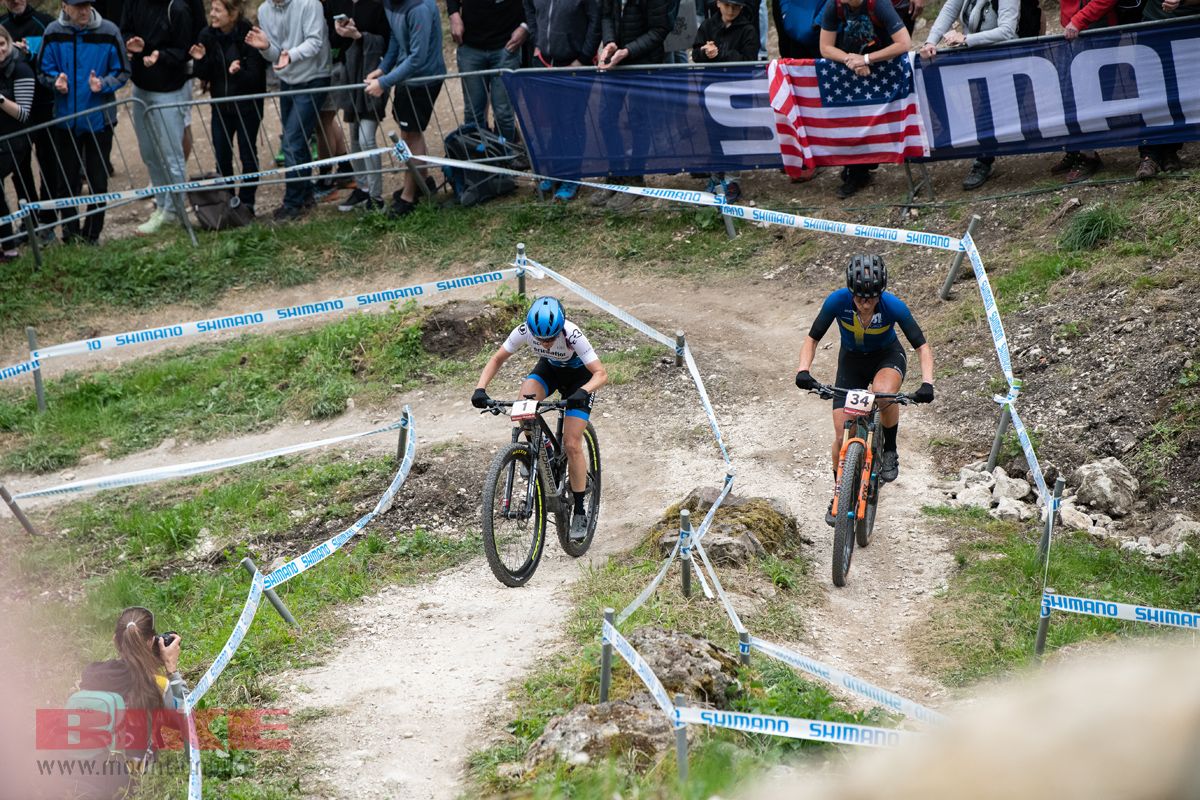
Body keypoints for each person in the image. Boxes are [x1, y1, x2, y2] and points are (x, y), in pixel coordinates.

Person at [794, 255, 934, 524]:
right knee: (840, 436)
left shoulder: (894, 307)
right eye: (859, 297)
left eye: (871, 298)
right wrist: (803, 370)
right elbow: (812, 339)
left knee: (882, 393)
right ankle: (840, 493)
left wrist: (927, 383)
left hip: (887, 357)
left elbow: (922, 347)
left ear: (881, 293)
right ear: (851, 291)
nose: (865, 303)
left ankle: (890, 449)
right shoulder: (837, 301)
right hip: (852, 362)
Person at [471, 296, 608, 541]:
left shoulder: (572, 334)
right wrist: (480, 388)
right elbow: (497, 358)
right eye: (540, 339)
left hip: (579, 380)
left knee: (572, 443)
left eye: (550, 338)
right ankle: (540, 450)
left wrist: (584, 391)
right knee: (522, 408)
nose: (544, 344)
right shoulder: (524, 330)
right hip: (550, 371)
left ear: (560, 329)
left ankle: (579, 510)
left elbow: (600, 373)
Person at [37, 0, 129, 245]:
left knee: (98, 181)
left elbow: (122, 71)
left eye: (88, 5)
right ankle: (70, 234)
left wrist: (104, 84)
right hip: (66, 120)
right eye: (78, 6)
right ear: (65, 6)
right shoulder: (53, 33)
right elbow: (43, 71)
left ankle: (92, 236)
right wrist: (56, 81)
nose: (85, 11)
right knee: (66, 182)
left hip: (100, 120)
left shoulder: (109, 31)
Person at [919, 0, 1020, 191]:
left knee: (994, 109)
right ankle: (971, 144)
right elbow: (949, 9)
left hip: (1003, 57)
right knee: (933, 76)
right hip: (975, 56)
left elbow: (1007, 30)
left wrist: (966, 39)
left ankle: (984, 159)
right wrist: (931, 41)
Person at [247, 0, 332, 221]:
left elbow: (315, 42)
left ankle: (292, 203)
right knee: (296, 141)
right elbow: (275, 54)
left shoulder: (310, 4)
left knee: (292, 140)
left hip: (314, 78)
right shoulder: (264, 10)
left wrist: (290, 55)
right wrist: (266, 48)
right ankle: (304, 196)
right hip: (287, 80)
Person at [819, 0, 913, 199]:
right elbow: (825, 47)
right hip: (851, 68)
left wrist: (867, 59)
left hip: (885, 65)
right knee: (852, 120)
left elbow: (904, 42)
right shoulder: (833, 5)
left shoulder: (878, 4)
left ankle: (904, 163)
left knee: (887, 119)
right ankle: (857, 170)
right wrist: (851, 60)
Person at [120, 0, 195, 235]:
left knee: (171, 154)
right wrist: (131, 42)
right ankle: (162, 205)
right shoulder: (133, 4)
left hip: (169, 90)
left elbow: (186, 51)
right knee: (149, 152)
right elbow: (124, 30)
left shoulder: (178, 9)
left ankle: (174, 211)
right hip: (141, 87)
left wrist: (159, 55)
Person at [366, 0, 445, 219]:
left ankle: (408, 197)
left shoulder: (419, 8)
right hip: (405, 77)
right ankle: (423, 181)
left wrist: (384, 83)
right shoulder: (390, 4)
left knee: (411, 135)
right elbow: (395, 39)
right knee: (407, 133)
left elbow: (417, 57)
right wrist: (383, 69)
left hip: (423, 79)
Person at [590, 0, 670, 210]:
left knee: (638, 120)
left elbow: (660, 29)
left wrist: (629, 51)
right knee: (605, 118)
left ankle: (635, 179)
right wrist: (610, 41)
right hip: (616, 62)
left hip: (645, 63)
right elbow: (607, 14)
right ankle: (615, 175)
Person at [190, 0, 266, 216]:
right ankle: (228, 202)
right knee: (222, 156)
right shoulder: (207, 35)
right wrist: (200, 61)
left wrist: (238, 72)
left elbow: (256, 76)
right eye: (211, 9)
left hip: (247, 107)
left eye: (217, 10)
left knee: (247, 154)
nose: (212, 14)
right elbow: (203, 74)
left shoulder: (248, 35)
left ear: (232, 14)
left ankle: (247, 202)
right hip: (221, 107)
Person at [523, 0, 599, 201]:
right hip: (546, 62)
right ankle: (554, 172)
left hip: (576, 65)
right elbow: (529, 7)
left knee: (571, 122)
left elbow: (596, 20)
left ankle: (572, 177)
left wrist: (583, 58)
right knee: (553, 121)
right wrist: (536, 39)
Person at [0, 0, 57, 242]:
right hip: (12, 118)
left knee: (48, 164)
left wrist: (30, 55)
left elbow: (53, 58)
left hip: (44, 107)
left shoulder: (44, 23)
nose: (15, 1)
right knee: (20, 171)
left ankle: (49, 219)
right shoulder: (2, 26)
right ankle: (30, 218)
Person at [691, 0, 756, 203]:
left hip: (737, 92)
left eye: (736, 6)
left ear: (742, 8)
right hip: (711, 90)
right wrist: (703, 52)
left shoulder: (748, 30)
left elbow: (748, 60)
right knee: (713, 133)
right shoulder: (708, 26)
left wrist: (720, 53)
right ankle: (716, 175)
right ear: (718, 4)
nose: (731, 10)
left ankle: (732, 179)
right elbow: (695, 53)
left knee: (735, 135)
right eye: (727, 5)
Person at [329, 0, 388, 212]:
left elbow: (387, 42)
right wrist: (339, 32)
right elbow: (333, 42)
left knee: (366, 137)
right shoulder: (340, 4)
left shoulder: (378, 5)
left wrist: (359, 36)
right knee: (354, 137)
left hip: (374, 75)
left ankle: (376, 195)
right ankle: (362, 188)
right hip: (350, 75)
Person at [1049, 0, 1116, 184]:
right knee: (1068, 93)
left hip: (1098, 29)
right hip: (1073, 30)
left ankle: (1089, 155)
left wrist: (1079, 19)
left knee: (1089, 95)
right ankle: (1076, 149)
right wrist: (1070, 20)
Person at [1133, 0, 1199, 179]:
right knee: (1149, 88)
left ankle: (1171, 149)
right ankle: (1148, 155)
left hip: (1189, 25)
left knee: (1183, 91)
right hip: (1153, 21)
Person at [448, 0, 526, 143]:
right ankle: (480, 154)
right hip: (470, 46)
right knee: (473, 112)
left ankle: (506, 155)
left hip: (507, 46)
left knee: (503, 113)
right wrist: (453, 14)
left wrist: (525, 26)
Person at [0, 26, 32, 260]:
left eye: (2, 43)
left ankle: (9, 245)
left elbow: (23, 113)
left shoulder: (21, 69)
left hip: (15, 141)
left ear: (9, 42)